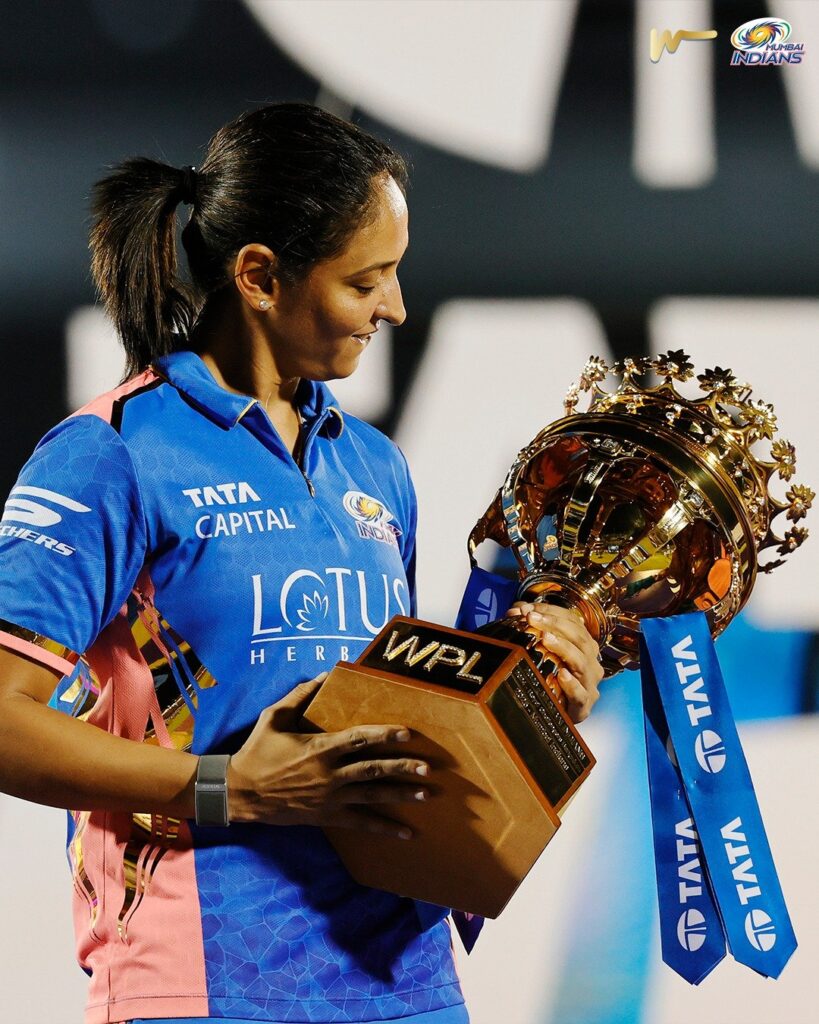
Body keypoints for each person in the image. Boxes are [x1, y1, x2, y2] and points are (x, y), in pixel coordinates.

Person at [0, 102, 603, 1024]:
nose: (395, 307)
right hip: (202, 978)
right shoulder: (111, 453)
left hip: (405, 981)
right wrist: (232, 787)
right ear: (259, 277)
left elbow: (375, 716)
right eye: (368, 281)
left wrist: (528, 704)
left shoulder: (374, 465)